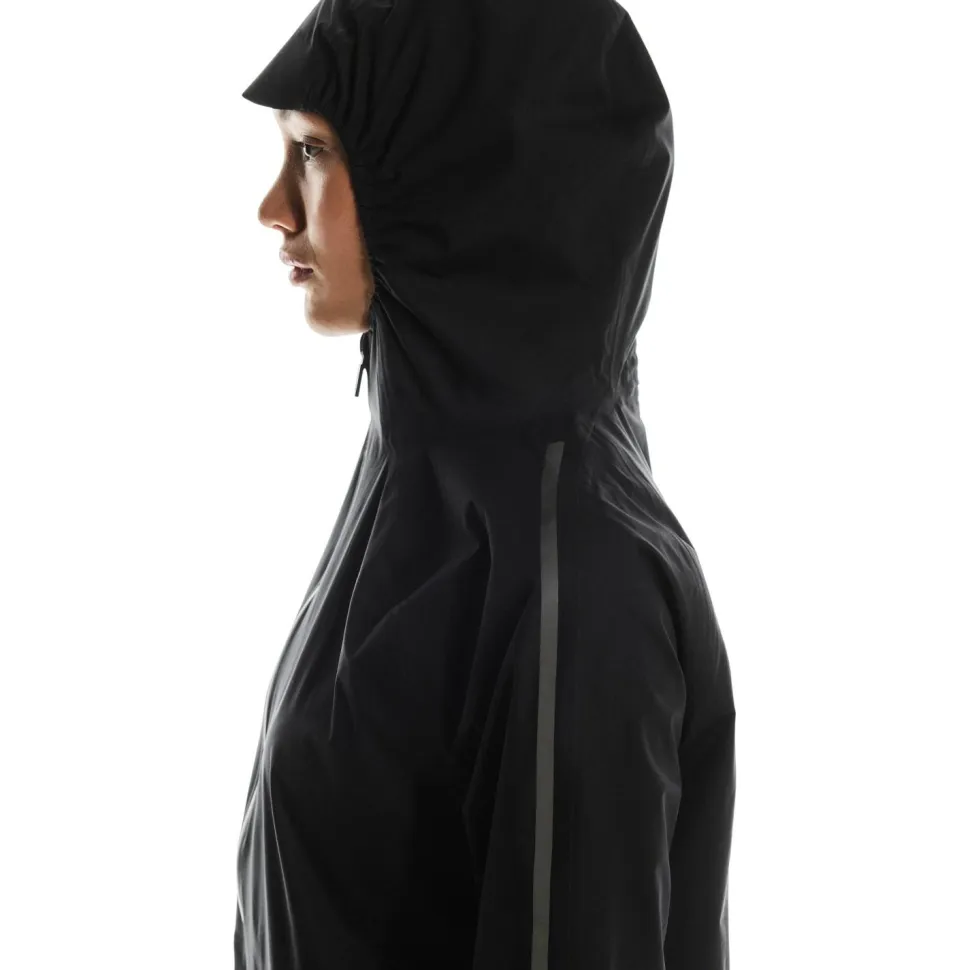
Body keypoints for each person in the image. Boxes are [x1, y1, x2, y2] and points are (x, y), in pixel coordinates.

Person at [234, 0, 737, 968]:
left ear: (455, 177)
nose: (274, 208)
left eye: (312, 152)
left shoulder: (575, 585)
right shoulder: (419, 477)